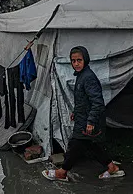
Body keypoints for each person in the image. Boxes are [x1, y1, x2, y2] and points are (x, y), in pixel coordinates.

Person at [43, 46, 124, 182]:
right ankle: (112, 167)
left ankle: (62, 172)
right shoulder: (82, 76)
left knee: (75, 144)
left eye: (79, 60)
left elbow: (97, 102)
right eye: (73, 61)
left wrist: (91, 122)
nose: (76, 64)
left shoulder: (88, 78)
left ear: (85, 60)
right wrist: (76, 111)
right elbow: (83, 99)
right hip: (83, 117)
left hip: (88, 120)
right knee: (90, 145)